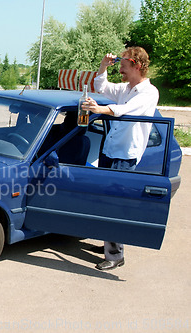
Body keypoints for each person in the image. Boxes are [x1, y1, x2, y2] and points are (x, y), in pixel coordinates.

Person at [81, 46, 159, 271]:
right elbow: (101, 86)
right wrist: (104, 65)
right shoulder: (125, 88)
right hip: (110, 150)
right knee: (105, 199)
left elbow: (125, 110)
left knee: (115, 204)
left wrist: (99, 109)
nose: (120, 71)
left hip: (126, 155)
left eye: (123, 66)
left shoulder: (148, 93)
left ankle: (115, 255)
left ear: (135, 64)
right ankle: (109, 242)